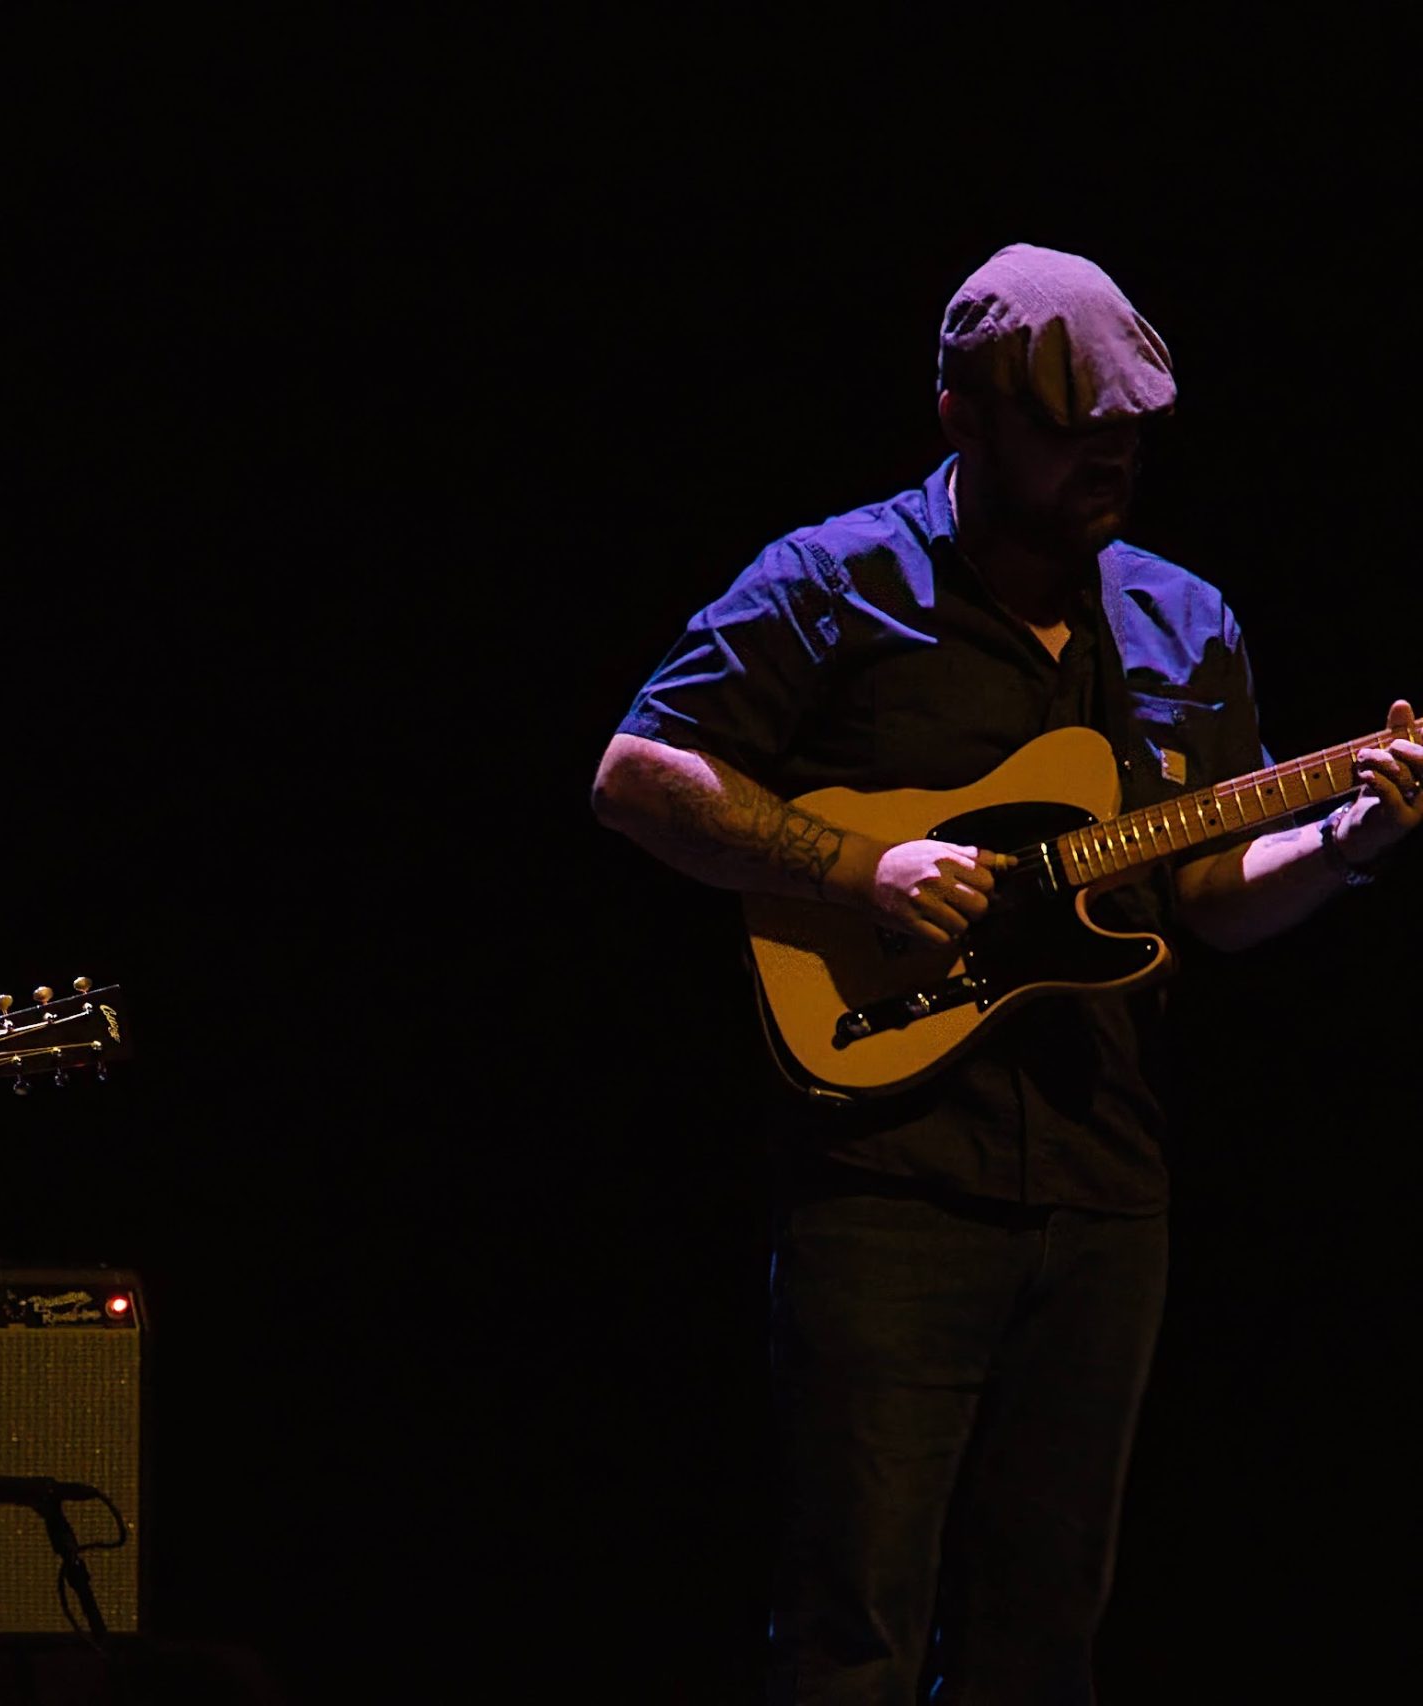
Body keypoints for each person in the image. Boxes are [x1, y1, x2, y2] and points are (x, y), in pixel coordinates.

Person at [589, 244, 1418, 1700]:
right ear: (963, 410)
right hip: (890, 1179)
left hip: (1109, 1185)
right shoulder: (832, 581)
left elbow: (1210, 900)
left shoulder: (1185, 619)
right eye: (1072, 428)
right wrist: (858, 871)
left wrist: (1347, 840)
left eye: (1131, 431)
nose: (1111, 456)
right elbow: (636, 777)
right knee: (853, 1627)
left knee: (1048, 1634)